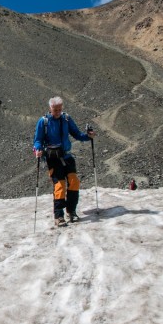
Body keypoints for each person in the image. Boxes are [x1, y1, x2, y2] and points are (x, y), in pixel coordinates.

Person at [33, 96, 95, 227]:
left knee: (74, 182)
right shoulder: (43, 122)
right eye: (55, 110)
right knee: (60, 186)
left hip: (67, 156)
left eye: (60, 109)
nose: (57, 112)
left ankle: (71, 211)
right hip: (53, 159)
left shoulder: (66, 119)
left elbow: (76, 134)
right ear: (50, 108)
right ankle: (59, 216)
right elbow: (37, 140)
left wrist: (88, 137)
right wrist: (37, 150)